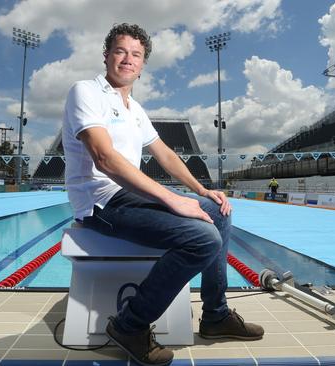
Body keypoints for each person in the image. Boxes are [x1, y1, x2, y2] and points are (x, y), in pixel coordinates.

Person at [62, 23, 263, 366]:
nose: (128, 59)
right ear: (107, 56)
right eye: (121, 51)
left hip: (129, 195)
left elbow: (166, 155)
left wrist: (201, 190)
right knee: (203, 240)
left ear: (142, 65)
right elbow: (105, 159)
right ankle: (130, 325)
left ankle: (215, 316)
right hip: (101, 202)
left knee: (218, 210)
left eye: (136, 55)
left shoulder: (135, 110)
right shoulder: (86, 92)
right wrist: (172, 198)